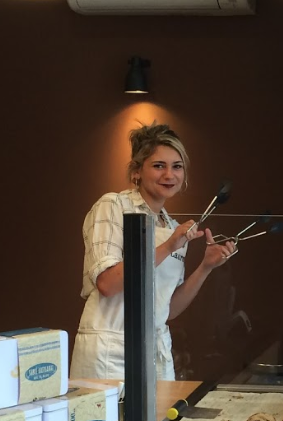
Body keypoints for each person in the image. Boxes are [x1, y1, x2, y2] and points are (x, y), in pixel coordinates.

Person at [71, 123, 236, 381]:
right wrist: (169, 246)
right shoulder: (113, 205)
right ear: (136, 171)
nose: (169, 174)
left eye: (177, 166)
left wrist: (206, 266)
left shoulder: (170, 226)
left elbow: (167, 309)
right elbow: (107, 283)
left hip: (157, 352)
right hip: (111, 349)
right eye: (159, 165)